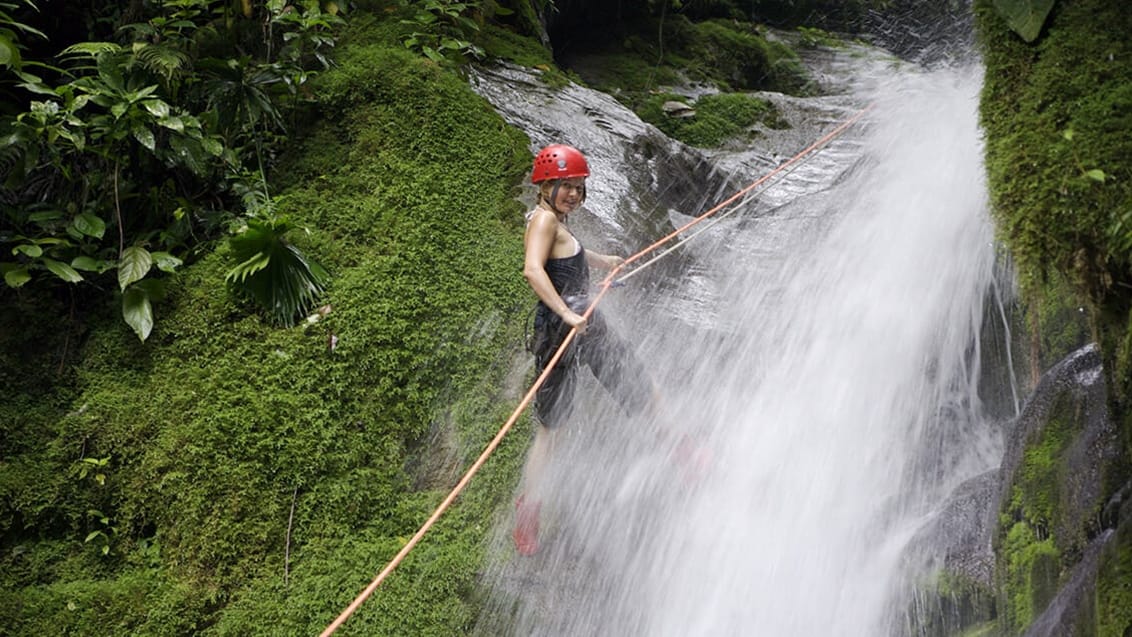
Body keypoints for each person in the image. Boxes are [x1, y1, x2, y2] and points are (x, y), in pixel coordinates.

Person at [513, 143, 655, 555]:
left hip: (585, 321)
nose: (573, 193)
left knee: (637, 383)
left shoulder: (556, 220)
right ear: (545, 185)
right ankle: (528, 513)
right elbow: (532, 269)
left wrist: (603, 260)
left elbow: (568, 254)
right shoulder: (543, 221)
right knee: (551, 430)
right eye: (565, 186)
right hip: (563, 329)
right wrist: (565, 314)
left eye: (578, 186)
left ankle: (682, 449)